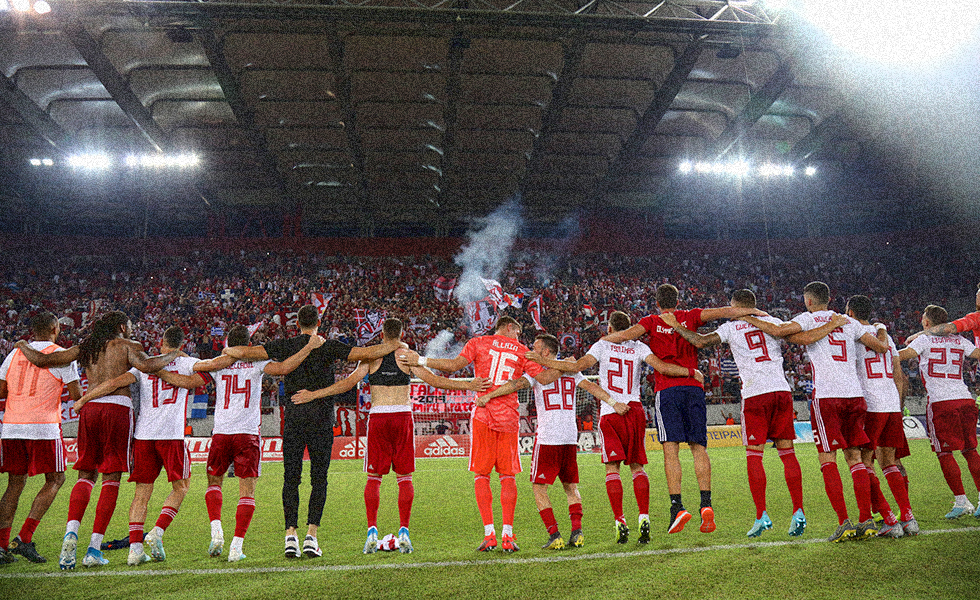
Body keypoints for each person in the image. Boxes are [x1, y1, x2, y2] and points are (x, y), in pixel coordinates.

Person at [292, 318, 488, 555]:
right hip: (403, 416)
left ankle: (372, 531)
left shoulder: (372, 356)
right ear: (402, 333)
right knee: (404, 477)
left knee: (374, 477)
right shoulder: (407, 355)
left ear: (382, 334)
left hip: (379, 418)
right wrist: (469, 386)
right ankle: (404, 530)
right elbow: (436, 381)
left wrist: (315, 394)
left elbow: (347, 384)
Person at [223, 304, 400, 559]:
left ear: (297, 324)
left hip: (294, 419)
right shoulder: (327, 345)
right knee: (319, 479)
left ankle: (289, 537)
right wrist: (396, 343)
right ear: (319, 323)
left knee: (291, 478)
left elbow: (245, 352)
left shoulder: (286, 344)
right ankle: (311, 536)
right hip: (321, 420)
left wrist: (227, 349)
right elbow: (368, 351)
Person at [16, 311, 179, 570]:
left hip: (90, 409)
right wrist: (175, 354)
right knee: (110, 478)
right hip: (117, 408)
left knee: (85, 475)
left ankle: (70, 533)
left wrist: (23, 344)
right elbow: (148, 366)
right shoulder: (129, 346)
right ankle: (93, 548)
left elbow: (43, 360)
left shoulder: (87, 347)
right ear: (122, 327)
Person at [526, 312, 700, 542]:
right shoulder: (639, 347)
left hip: (611, 412)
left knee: (612, 469)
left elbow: (578, 365)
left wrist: (542, 361)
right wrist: (690, 372)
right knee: (638, 467)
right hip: (635, 409)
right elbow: (662, 367)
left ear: (610, 329)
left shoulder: (603, 344)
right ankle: (644, 516)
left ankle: (620, 520)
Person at [600, 284, 760, 534]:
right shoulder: (690, 316)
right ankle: (706, 504)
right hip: (693, 387)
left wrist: (601, 342)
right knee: (699, 448)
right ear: (678, 300)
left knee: (671, 451)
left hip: (668, 390)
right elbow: (721, 312)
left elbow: (625, 336)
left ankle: (677, 507)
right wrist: (755, 312)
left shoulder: (651, 321)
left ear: (656, 302)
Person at [660, 289, 820, 538]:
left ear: (735, 307)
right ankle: (798, 511)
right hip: (781, 391)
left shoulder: (730, 328)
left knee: (754, 457)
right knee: (788, 454)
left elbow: (700, 341)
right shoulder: (773, 322)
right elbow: (801, 338)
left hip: (756, 395)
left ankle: (761, 516)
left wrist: (676, 326)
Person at [740, 282, 889, 542]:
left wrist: (747, 316)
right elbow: (880, 347)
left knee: (827, 459)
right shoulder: (847, 321)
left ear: (808, 301)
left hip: (827, 398)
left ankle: (844, 523)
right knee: (854, 458)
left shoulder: (808, 318)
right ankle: (867, 520)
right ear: (829, 299)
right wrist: (881, 328)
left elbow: (778, 330)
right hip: (855, 396)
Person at [398, 316, 551, 552]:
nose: (519, 338)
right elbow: (544, 378)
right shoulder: (521, 351)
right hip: (509, 417)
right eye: (518, 332)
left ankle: (489, 534)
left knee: (482, 475)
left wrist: (421, 359)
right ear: (509, 327)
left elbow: (452, 367)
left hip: (483, 415)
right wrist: (567, 365)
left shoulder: (478, 342)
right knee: (507, 476)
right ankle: (508, 536)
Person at [478, 333, 611, 550]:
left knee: (539, 487)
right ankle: (577, 533)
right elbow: (592, 388)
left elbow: (514, 385)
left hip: (548, 436)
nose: (530, 350)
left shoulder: (537, 373)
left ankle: (554, 535)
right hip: (570, 436)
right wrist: (612, 402)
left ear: (545, 352)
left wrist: (489, 396)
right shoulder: (572, 371)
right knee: (570, 486)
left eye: (535, 347)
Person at [0, 313, 81, 565]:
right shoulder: (61, 355)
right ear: (55, 329)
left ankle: (1, 546)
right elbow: (76, 394)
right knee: (56, 478)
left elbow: (1, 391)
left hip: (12, 427)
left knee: (14, 484)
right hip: (43, 427)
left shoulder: (12, 354)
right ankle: (24, 537)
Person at [845, 295, 917, 538]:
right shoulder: (886, 338)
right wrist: (898, 406)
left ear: (851, 312)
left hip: (869, 403)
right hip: (891, 405)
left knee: (864, 463)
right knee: (889, 462)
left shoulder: (852, 333)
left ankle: (888, 519)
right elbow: (900, 377)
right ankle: (908, 518)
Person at [899, 304, 980, 519]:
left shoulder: (924, 339)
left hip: (941, 402)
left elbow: (902, 356)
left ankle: (961, 501)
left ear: (927, 322)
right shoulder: (960, 340)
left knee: (945, 453)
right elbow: (978, 353)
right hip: (965, 398)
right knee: (971, 451)